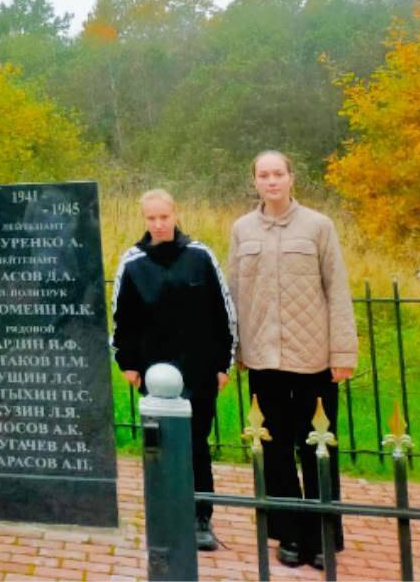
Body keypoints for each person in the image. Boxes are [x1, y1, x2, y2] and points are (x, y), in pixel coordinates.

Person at [228, 151, 357, 570]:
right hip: (264, 360)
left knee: (317, 447)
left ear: (291, 178)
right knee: (275, 447)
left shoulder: (319, 226)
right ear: (255, 182)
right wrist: (236, 352)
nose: (271, 181)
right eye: (263, 175)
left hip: (313, 359)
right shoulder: (241, 229)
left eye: (278, 173)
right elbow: (234, 295)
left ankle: (323, 534)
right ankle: (288, 532)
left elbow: (337, 289)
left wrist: (342, 352)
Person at [111, 189, 236, 552]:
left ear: (175, 214)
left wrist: (223, 362)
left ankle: (200, 516)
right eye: (151, 218)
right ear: (144, 219)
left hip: (198, 368)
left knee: (197, 443)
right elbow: (123, 319)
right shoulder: (132, 262)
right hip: (155, 369)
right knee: (160, 445)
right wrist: (127, 363)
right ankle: (166, 511)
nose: (159, 224)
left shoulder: (200, 256)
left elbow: (222, 312)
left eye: (164, 217)